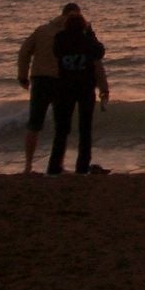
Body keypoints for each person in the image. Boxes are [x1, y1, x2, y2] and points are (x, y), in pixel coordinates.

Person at [17, 2, 83, 174]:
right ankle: (57, 165)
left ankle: (28, 165)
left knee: (34, 124)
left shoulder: (42, 30)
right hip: (61, 81)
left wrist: (23, 76)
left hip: (40, 79)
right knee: (61, 126)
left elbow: (24, 52)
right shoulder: (74, 33)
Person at [49, 11, 108, 175]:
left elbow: (55, 52)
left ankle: (54, 167)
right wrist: (91, 34)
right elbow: (100, 52)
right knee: (85, 129)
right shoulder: (87, 41)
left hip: (64, 88)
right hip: (85, 88)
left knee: (61, 129)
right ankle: (82, 167)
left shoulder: (60, 39)